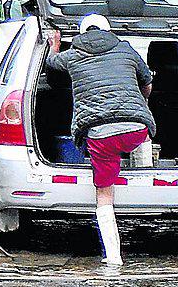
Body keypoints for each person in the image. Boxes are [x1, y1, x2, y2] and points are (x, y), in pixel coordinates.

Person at [46, 14, 155, 266]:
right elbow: (147, 82)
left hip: (100, 134)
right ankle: (145, 171)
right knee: (143, 135)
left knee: (104, 194)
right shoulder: (126, 49)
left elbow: (52, 64)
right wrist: (142, 101)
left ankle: (114, 258)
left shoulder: (73, 54)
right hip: (136, 128)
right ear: (108, 31)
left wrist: (55, 44)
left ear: (82, 34)